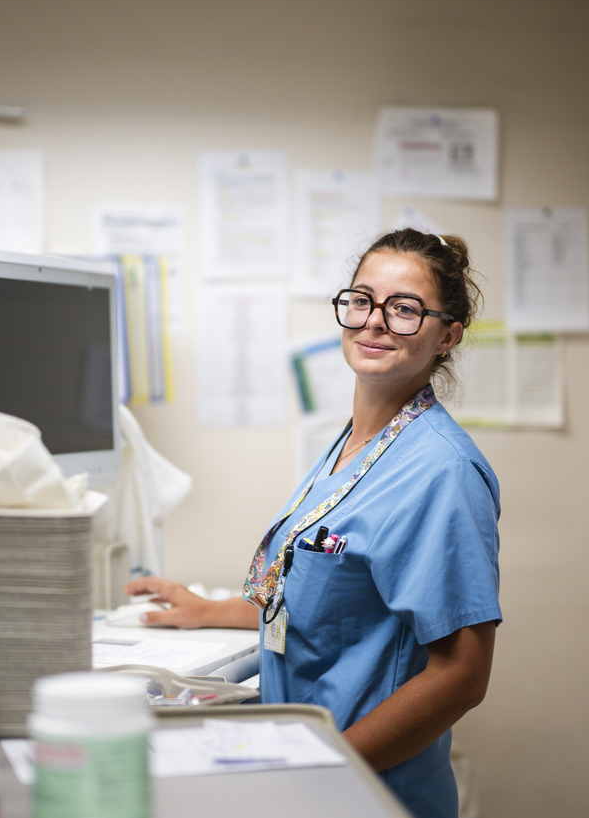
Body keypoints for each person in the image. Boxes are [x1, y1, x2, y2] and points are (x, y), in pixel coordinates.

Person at [126, 229, 500, 818]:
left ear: (446, 336)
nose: (375, 322)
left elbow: (462, 675)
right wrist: (205, 610)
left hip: (364, 788)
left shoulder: (439, 472)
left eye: (405, 309)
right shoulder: (354, 445)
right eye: (362, 300)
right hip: (308, 762)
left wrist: (321, 767)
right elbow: (317, 595)